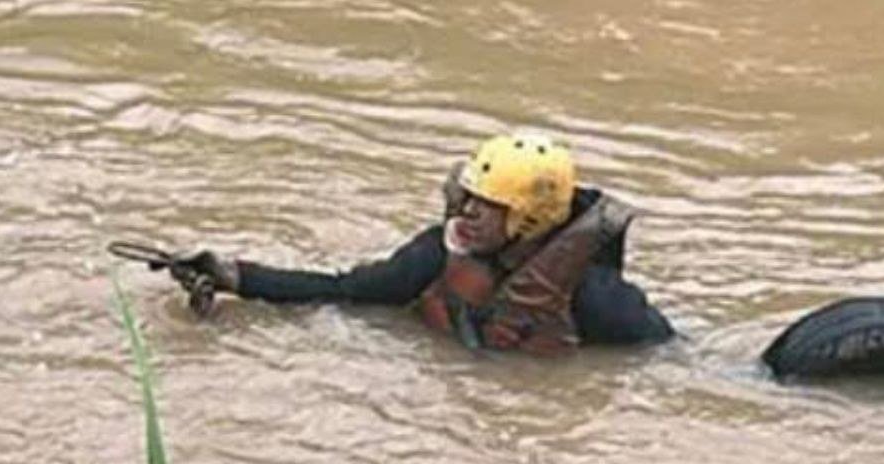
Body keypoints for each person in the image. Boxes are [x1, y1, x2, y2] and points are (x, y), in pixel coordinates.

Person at [159, 132, 673, 356]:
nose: (466, 213)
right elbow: (346, 291)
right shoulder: (436, 253)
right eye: (466, 198)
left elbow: (662, 362)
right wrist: (235, 276)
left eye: (486, 205)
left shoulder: (598, 296)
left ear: (529, 218)